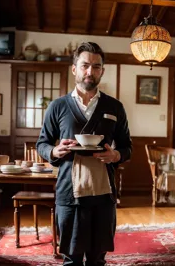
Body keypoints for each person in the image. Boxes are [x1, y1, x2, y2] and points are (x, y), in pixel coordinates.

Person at [36, 42, 132, 266]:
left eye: (96, 66)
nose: (90, 71)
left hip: (103, 193)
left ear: (102, 71)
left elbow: (127, 146)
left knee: (98, 259)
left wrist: (115, 155)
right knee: (71, 258)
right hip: (69, 195)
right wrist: (55, 151)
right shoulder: (58, 106)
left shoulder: (115, 107)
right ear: (74, 69)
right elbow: (42, 144)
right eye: (85, 65)